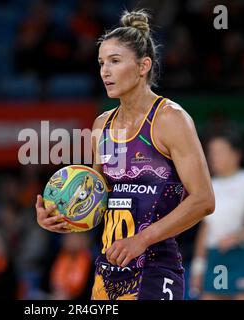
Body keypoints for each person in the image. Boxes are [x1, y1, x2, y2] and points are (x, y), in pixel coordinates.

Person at [35, 9, 215, 300]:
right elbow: (98, 197)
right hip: (107, 274)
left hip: (156, 270)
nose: (105, 71)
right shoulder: (101, 125)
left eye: (115, 61)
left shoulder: (170, 119)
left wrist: (141, 240)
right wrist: (63, 216)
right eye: (101, 63)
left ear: (143, 66)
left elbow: (204, 200)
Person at [190, 133, 244, 300]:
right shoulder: (208, 186)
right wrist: (197, 269)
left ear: (236, 154)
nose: (213, 157)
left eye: (219, 152)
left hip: (242, 255)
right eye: (211, 152)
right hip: (216, 257)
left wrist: (238, 236)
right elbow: (206, 229)